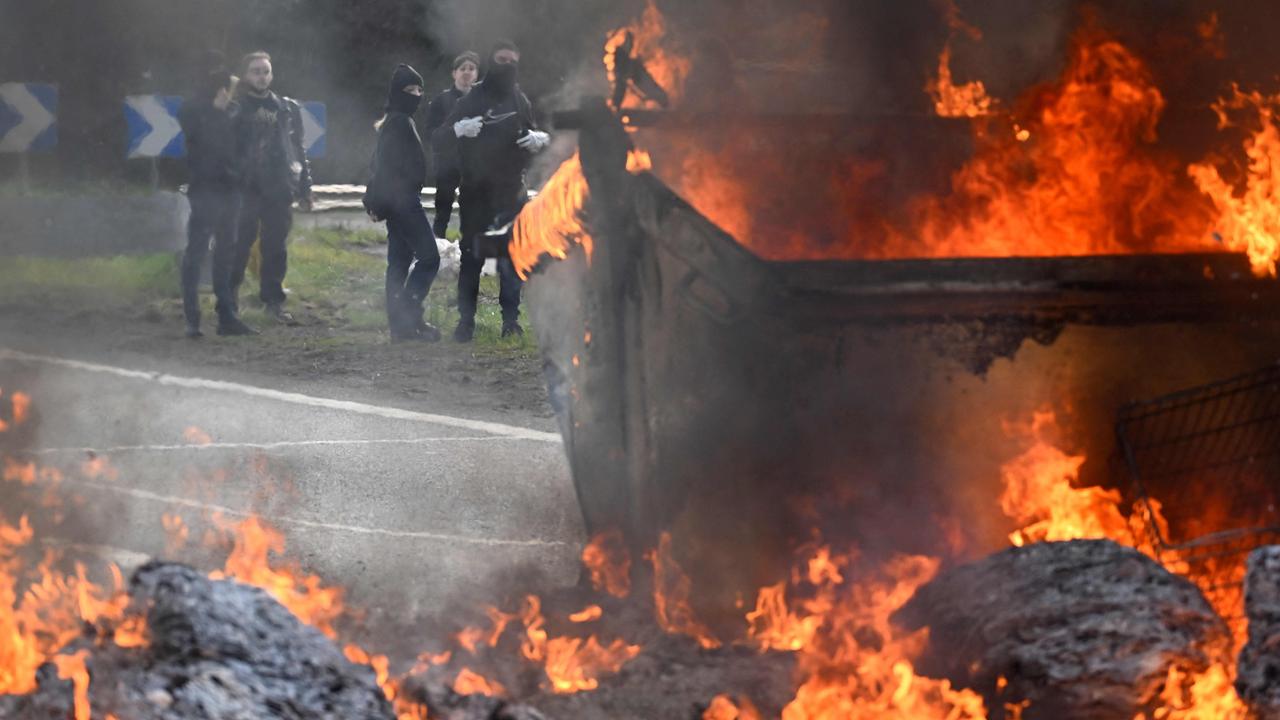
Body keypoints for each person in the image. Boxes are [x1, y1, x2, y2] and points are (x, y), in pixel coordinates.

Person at [438, 40, 549, 342]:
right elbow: (439, 138)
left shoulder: (519, 99)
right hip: (476, 191)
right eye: (502, 60)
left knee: (512, 257)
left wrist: (541, 140)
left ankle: (510, 321)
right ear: (491, 61)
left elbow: (533, 137)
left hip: (512, 191)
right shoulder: (473, 98)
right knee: (472, 258)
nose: (508, 66)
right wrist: (458, 130)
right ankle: (465, 322)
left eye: (513, 61)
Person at [229, 51, 312, 326]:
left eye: (266, 71)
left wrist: (304, 187)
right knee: (240, 243)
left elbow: (297, 149)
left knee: (276, 246)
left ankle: (273, 302)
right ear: (245, 74)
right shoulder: (235, 106)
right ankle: (229, 299)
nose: (262, 76)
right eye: (255, 71)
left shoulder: (285, 107)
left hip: (278, 186)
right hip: (246, 186)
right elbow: (224, 148)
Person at [176, 62, 257, 338]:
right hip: (204, 189)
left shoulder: (237, 111)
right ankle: (192, 318)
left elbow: (245, 147)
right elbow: (203, 143)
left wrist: (241, 175)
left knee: (226, 252)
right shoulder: (191, 109)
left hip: (230, 189)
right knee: (197, 251)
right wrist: (216, 113)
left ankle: (227, 316)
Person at [363, 64, 442, 342]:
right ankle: (409, 316)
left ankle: (401, 327)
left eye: (420, 90)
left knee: (398, 263)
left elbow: (378, 164)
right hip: (404, 201)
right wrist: (378, 201)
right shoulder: (399, 121)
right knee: (430, 258)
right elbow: (384, 166)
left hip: (396, 201)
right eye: (410, 90)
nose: (417, 95)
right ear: (398, 93)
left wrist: (375, 200)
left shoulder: (395, 120)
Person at [424, 51, 479, 241]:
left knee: (471, 213)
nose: (467, 73)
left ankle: (469, 257)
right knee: (442, 211)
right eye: (462, 69)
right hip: (447, 163)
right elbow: (431, 136)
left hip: (474, 165)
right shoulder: (441, 101)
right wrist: (455, 130)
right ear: (454, 73)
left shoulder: (483, 101)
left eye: (471, 69)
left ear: (477, 74)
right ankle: (434, 252)